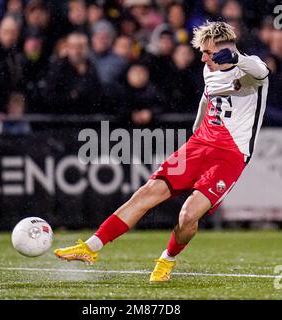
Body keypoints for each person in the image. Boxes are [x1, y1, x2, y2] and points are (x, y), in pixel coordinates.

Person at [54, 21, 269, 282]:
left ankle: (167, 260)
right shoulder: (207, 69)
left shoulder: (249, 68)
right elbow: (207, 97)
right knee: (147, 192)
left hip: (231, 154)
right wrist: (195, 130)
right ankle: (90, 247)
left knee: (188, 215)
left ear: (225, 50)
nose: (202, 57)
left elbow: (261, 72)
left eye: (208, 53)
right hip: (199, 144)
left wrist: (235, 58)